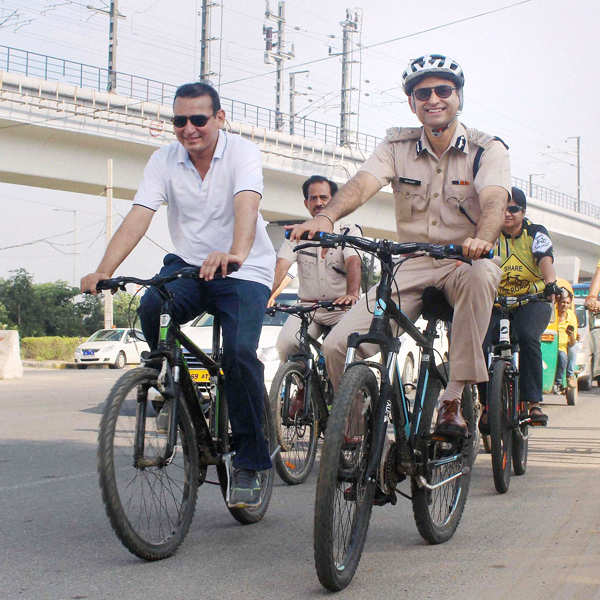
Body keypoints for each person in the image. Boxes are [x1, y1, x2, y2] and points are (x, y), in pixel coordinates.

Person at [289, 54, 510, 439]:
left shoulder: (486, 150)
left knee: (483, 274)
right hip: (408, 265)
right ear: (412, 102)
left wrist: (482, 239)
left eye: (444, 90)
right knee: (338, 344)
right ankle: (355, 434)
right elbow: (363, 182)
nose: (433, 99)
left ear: (459, 97)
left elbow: (494, 200)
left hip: (462, 261)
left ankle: (453, 398)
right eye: (423, 93)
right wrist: (327, 217)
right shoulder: (396, 145)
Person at [81, 81, 275, 508]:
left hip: (245, 269)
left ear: (219, 119)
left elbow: (247, 201)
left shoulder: (242, 153)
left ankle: (251, 460)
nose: (189, 129)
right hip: (189, 266)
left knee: (239, 355)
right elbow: (140, 215)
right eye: (180, 120)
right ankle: (183, 405)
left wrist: (238, 252)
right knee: (151, 306)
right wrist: (103, 270)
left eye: (199, 120)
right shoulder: (164, 159)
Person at [271, 176, 362, 415]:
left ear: (334, 200)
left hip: (341, 309)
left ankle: (350, 417)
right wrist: (267, 295)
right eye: (314, 198)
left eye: (324, 197)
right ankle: (303, 388)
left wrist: (352, 294)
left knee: (339, 355)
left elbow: (354, 262)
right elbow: (281, 266)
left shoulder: (348, 230)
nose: (319, 202)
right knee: (286, 343)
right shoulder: (298, 232)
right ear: (306, 203)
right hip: (309, 308)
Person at [480, 186, 558, 428]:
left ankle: (533, 402)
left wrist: (551, 284)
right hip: (496, 303)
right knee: (479, 341)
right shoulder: (489, 234)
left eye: (513, 209)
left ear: (523, 211)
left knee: (527, 336)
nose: (508, 214)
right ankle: (485, 405)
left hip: (532, 302)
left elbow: (545, 259)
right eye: (503, 209)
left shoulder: (535, 233)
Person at [554, 288, 580, 393]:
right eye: (562, 302)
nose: (565, 305)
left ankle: (564, 379)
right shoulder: (552, 313)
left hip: (564, 348)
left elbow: (572, 342)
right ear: (558, 303)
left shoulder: (571, 316)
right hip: (549, 345)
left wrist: (571, 335)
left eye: (567, 303)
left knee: (564, 355)